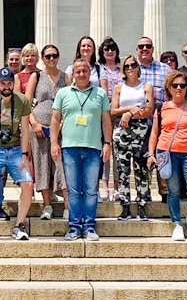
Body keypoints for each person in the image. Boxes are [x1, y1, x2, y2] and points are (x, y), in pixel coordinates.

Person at [51, 58, 112, 241]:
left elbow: (106, 120)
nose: (81, 74)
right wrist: (54, 143)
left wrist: (107, 143)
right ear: (73, 74)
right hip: (69, 147)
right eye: (78, 71)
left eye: (84, 71)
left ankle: (90, 226)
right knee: (73, 190)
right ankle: (75, 227)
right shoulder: (63, 93)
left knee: (91, 189)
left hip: (93, 148)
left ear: (89, 73)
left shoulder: (99, 93)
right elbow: (55, 119)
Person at [147, 70, 187, 241]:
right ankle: (176, 224)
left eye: (182, 85)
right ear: (169, 88)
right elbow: (154, 133)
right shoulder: (162, 108)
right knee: (172, 191)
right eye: (175, 85)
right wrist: (151, 154)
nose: (179, 88)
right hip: (167, 153)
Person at [27, 45, 68, 221]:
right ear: (42, 59)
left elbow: (70, 102)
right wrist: (34, 123)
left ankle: (67, 206)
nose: (51, 59)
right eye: (48, 56)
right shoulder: (35, 77)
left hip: (60, 129)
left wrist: (62, 126)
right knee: (42, 165)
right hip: (39, 128)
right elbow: (26, 104)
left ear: (58, 57)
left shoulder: (66, 77)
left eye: (54, 55)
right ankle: (47, 206)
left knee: (61, 166)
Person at [111, 55, 154, 222]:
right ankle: (125, 205)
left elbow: (149, 109)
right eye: (127, 66)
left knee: (141, 168)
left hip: (141, 129)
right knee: (122, 169)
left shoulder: (146, 87)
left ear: (138, 67)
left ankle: (142, 204)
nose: (130, 68)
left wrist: (130, 113)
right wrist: (128, 109)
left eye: (133, 65)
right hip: (122, 129)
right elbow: (112, 110)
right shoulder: (118, 88)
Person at [0, 67, 34, 239]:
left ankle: (19, 225)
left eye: (9, 83)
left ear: (14, 84)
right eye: (3, 83)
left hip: (15, 150)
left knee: (28, 184)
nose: (6, 87)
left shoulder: (21, 101)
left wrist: (24, 155)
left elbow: (25, 130)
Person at [136, 36, 171, 202]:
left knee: (162, 155)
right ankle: (145, 191)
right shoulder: (132, 70)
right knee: (143, 157)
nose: (144, 49)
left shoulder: (165, 69)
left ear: (153, 49)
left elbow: (171, 94)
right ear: (137, 50)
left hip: (162, 121)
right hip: (141, 122)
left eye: (148, 46)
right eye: (141, 46)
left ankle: (164, 191)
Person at [98, 36, 122, 201]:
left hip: (120, 114)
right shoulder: (100, 69)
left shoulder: (123, 67)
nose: (110, 51)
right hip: (105, 114)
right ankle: (105, 186)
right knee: (105, 151)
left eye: (112, 48)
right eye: (106, 49)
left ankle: (117, 187)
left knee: (118, 153)